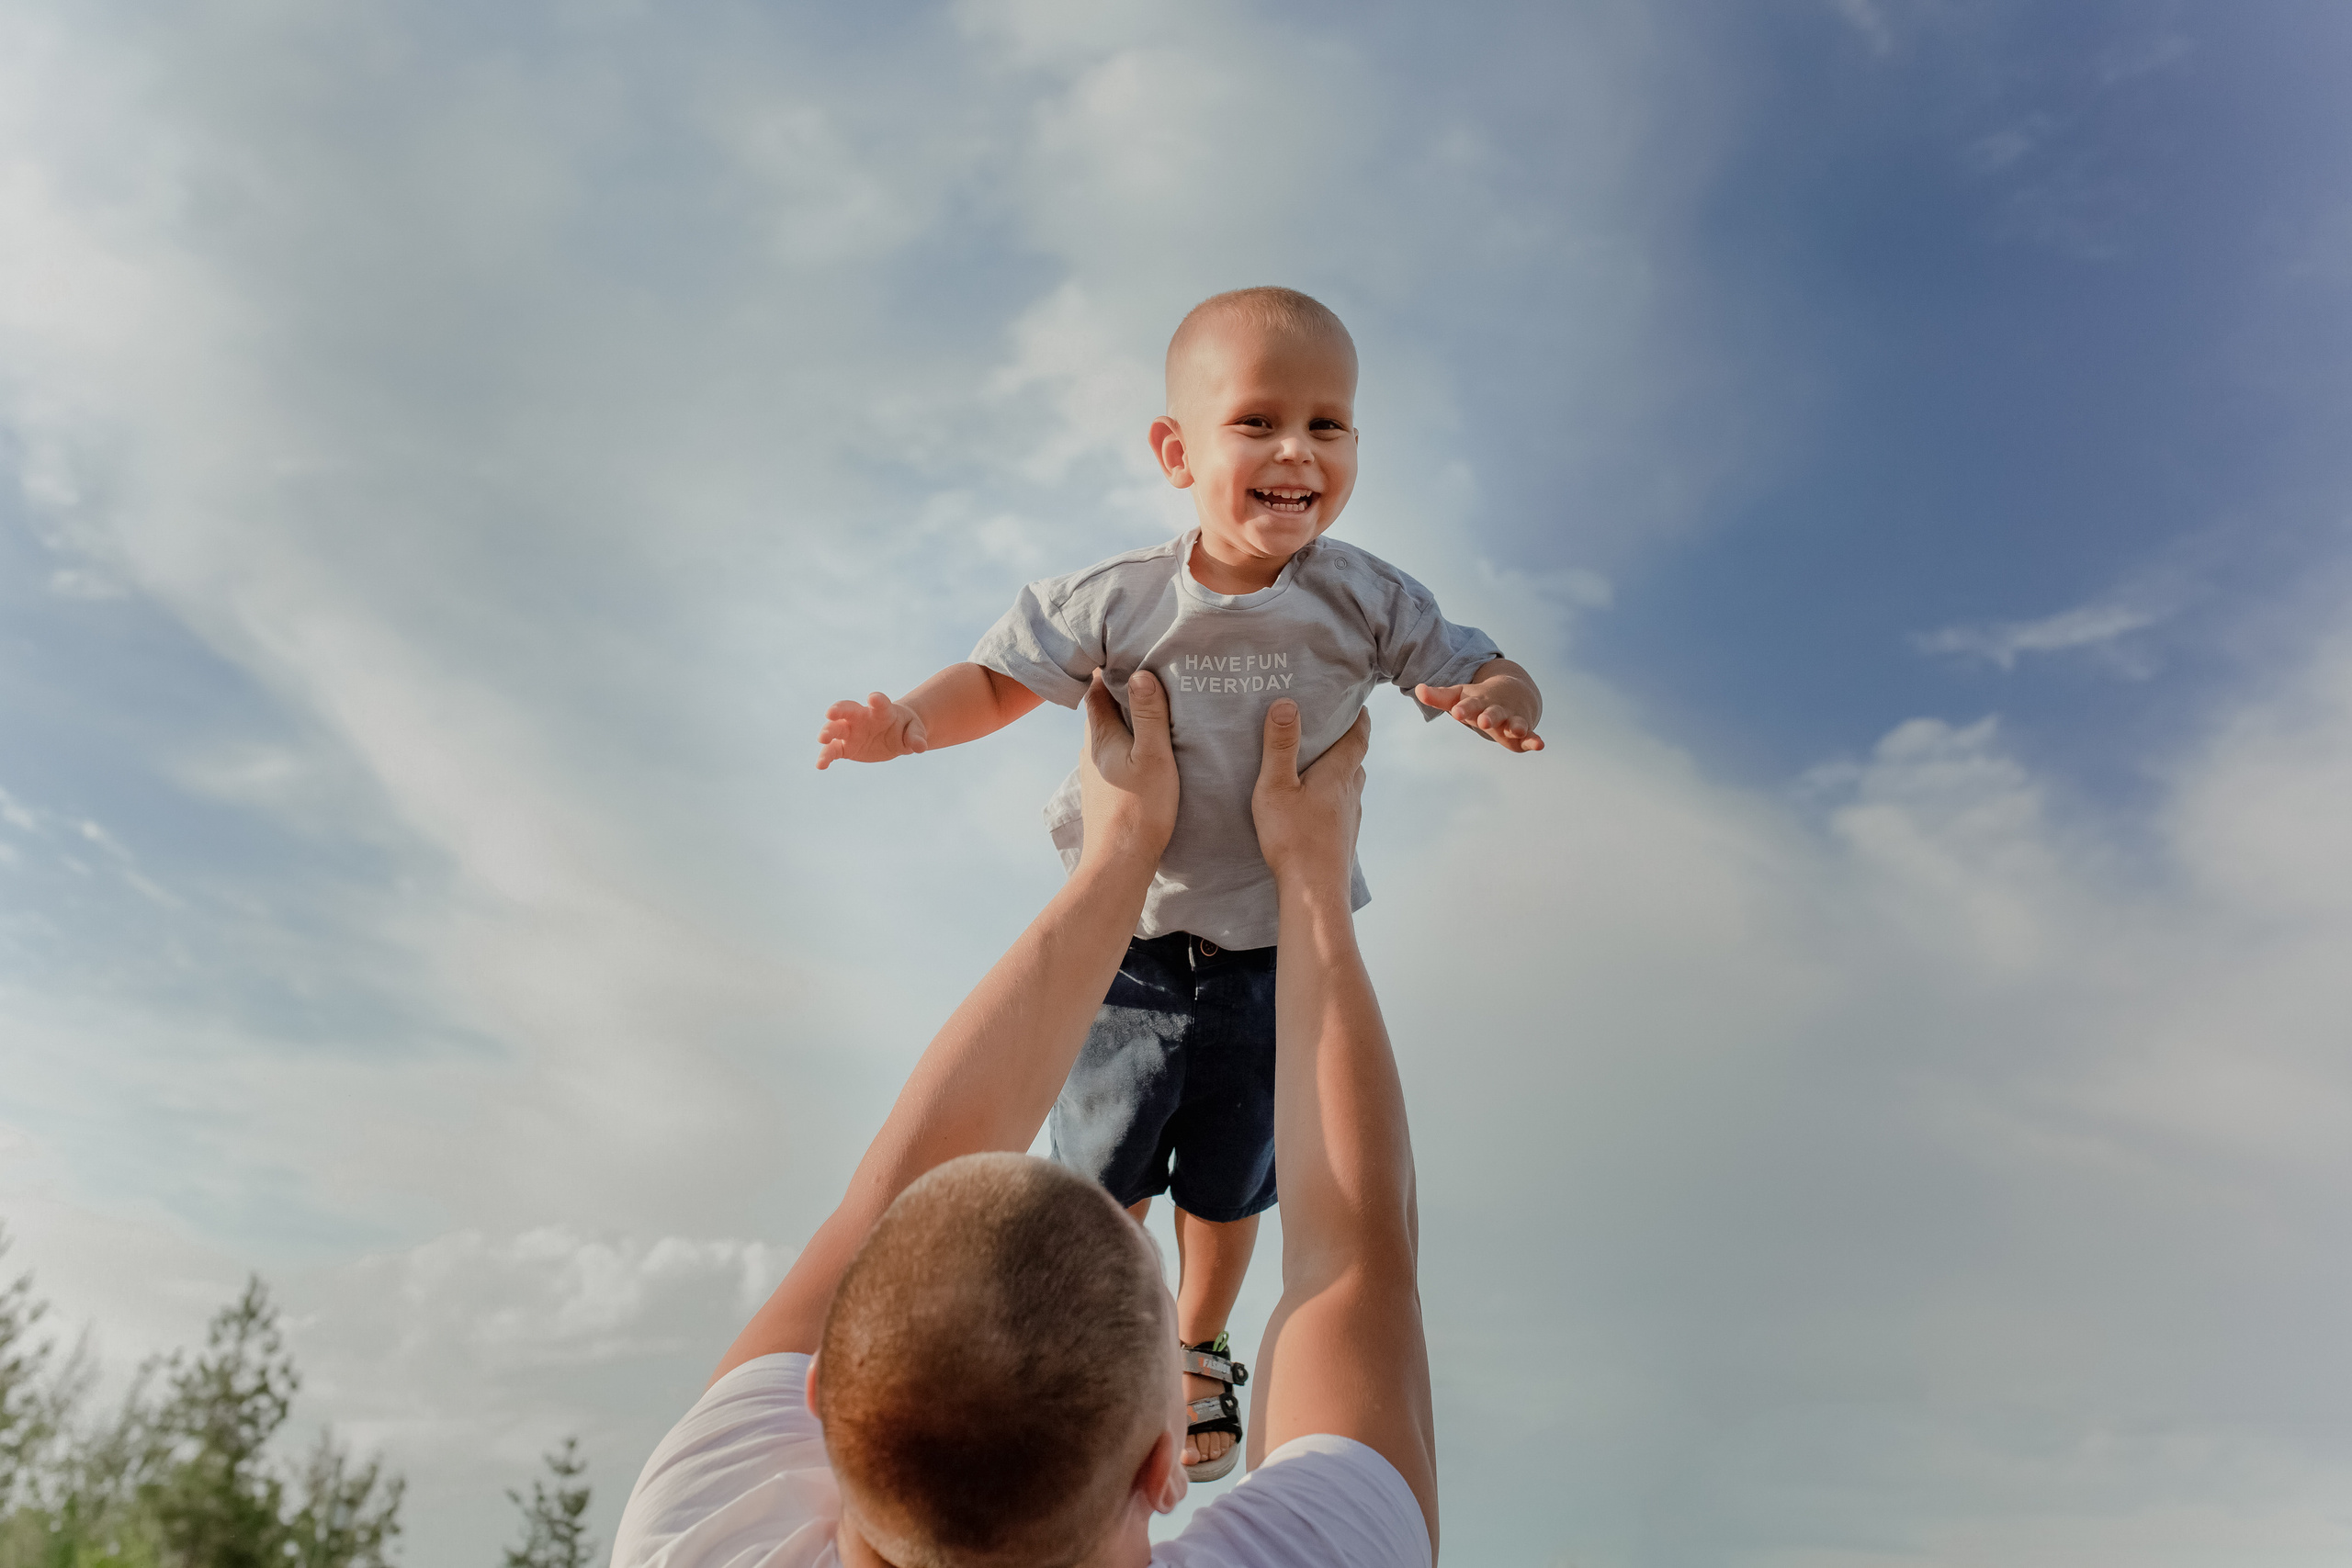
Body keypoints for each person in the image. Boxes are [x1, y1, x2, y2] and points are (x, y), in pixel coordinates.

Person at [814, 287, 1539, 1475]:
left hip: (1269, 958)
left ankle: (1199, 1344)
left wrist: (1499, 698)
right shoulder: (1123, 599)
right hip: (1132, 951)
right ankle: (1101, 1338)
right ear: (1177, 451)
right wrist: (903, 721)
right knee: (1102, 1168)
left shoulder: (1365, 598)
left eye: (1330, 423)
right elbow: (999, 678)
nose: (1298, 449)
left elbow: (1477, 660)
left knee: (1231, 1178)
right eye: (1258, 420)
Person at [611, 671, 1436, 1566]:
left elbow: (1354, 1265)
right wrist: (1301, 877)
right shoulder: (688, 1536)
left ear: (820, 1399)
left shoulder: (695, 1538)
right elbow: (1354, 1260)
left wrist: (1120, 857)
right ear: (1165, 1467)